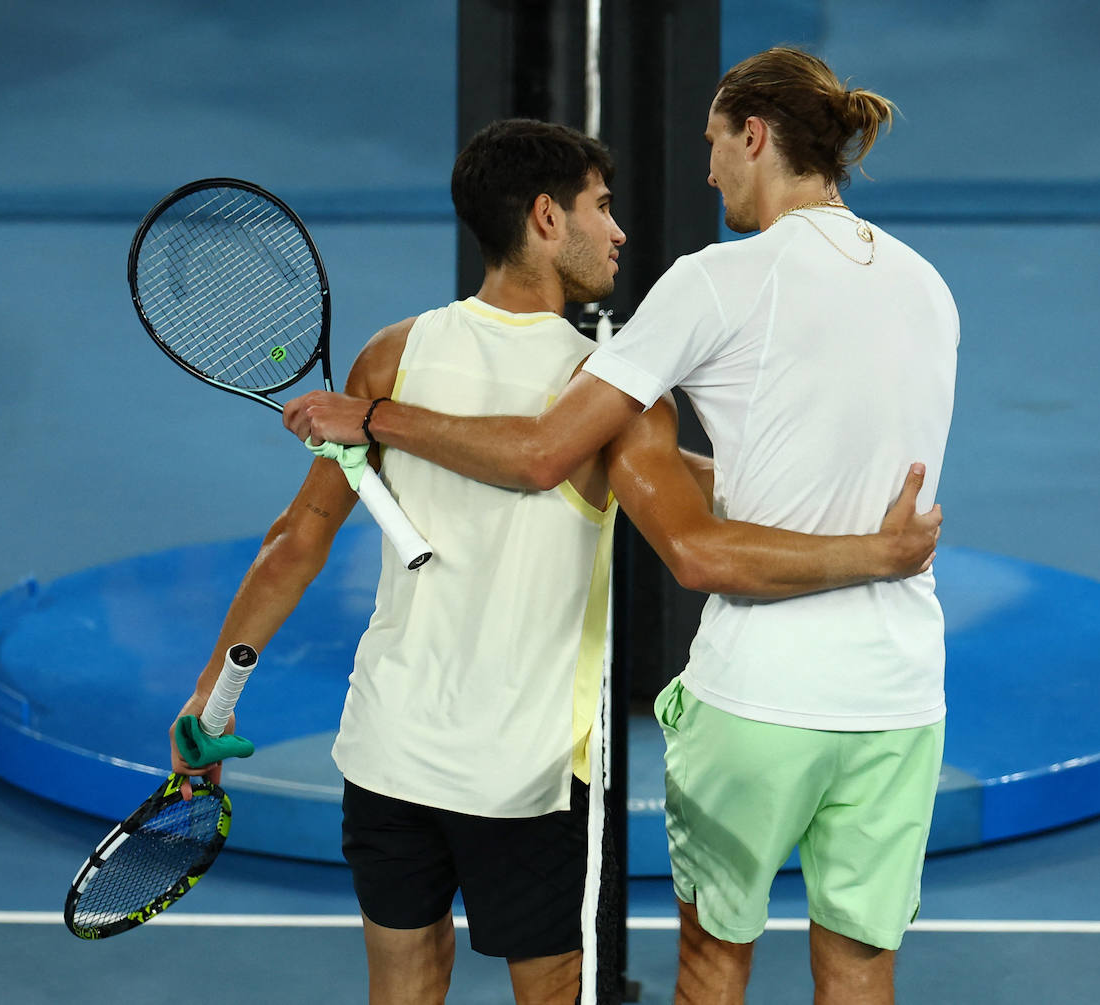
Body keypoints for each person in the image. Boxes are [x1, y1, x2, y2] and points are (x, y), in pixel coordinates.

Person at [177, 115, 942, 1005]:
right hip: (531, 779)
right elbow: (689, 523)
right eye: (602, 207)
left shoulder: (389, 360)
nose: (620, 231)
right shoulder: (615, 396)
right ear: (547, 218)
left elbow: (293, 544)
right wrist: (870, 534)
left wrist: (214, 694)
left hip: (389, 752)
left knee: (402, 987)